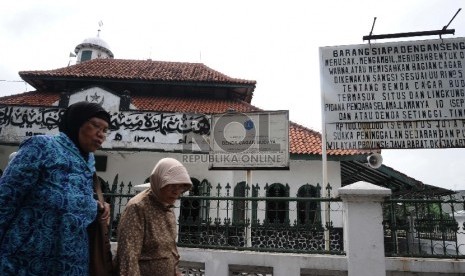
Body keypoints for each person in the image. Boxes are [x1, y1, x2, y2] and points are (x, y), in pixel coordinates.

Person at [0, 101, 111, 275]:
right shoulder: (42, 147)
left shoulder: (89, 162)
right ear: (76, 123)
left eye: (105, 130)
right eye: (95, 126)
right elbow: (6, 197)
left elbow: (71, 199)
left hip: (73, 263)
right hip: (27, 260)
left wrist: (95, 205)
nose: (101, 135)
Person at [115, 157, 193, 276]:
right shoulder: (138, 208)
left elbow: (170, 250)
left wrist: (175, 271)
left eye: (181, 187)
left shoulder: (167, 207)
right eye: (172, 185)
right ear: (159, 182)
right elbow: (128, 257)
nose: (176, 192)